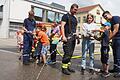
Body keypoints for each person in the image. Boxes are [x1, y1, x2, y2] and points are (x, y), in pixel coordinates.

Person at [60, 4, 79, 75]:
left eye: (77, 10)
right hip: (67, 37)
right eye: (75, 10)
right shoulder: (66, 16)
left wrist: (77, 37)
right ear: (71, 8)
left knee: (71, 53)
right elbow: (62, 26)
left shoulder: (74, 18)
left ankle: (67, 66)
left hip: (73, 38)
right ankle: (64, 68)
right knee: (67, 53)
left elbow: (75, 28)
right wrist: (63, 36)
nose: (76, 11)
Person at [102, 11, 120, 78]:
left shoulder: (115, 18)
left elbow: (115, 30)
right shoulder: (110, 22)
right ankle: (116, 69)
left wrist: (108, 39)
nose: (106, 18)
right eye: (104, 17)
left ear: (109, 14)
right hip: (115, 39)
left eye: (106, 16)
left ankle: (119, 71)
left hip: (118, 38)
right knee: (115, 55)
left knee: (118, 56)